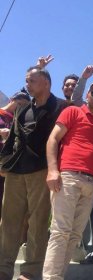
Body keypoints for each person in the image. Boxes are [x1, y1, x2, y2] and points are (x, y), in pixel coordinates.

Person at [0, 66, 67, 280]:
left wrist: (56, 169)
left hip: (42, 170)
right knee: (8, 221)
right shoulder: (22, 109)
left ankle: (30, 271)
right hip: (16, 170)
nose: (27, 84)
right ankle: (3, 268)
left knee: (38, 222)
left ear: (46, 83)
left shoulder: (61, 107)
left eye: (31, 80)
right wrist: (4, 162)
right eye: (26, 80)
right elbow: (12, 139)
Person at [42, 81, 93, 280]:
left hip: (92, 182)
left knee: (74, 235)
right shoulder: (72, 112)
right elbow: (53, 139)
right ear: (88, 94)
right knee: (60, 231)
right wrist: (53, 170)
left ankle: (58, 276)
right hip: (69, 177)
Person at [0, 90, 30, 220]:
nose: (20, 108)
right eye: (19, 104)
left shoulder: (17, 121)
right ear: (12, 99)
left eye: (24, 107)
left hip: (7, 166)